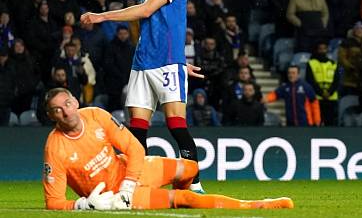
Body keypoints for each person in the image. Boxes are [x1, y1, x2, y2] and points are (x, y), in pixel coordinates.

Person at [80, 0, 206, 193]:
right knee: (137, 131)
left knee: (176, 125)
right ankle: (137, 185)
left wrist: (102, 16)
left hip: (167, 64)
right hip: (141, 63)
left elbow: (148, 9)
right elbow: (149, 24)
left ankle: (194, 184)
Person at [42, 87, 293, 210]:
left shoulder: (95, 114)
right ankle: (257, 205)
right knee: (186, 198)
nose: (66, 111)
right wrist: (82, 205)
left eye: (67, 103)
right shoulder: (55, 148)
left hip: (131, 174)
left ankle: (185, 202)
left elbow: (134, 149)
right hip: (116, 197)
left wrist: (130, 182)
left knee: (190, 169)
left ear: (75, 101)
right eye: (57, 110)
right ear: (52, 117)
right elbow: (53, 202)